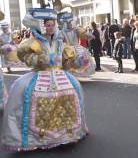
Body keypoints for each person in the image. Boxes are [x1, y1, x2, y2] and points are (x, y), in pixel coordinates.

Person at [1, 14, 88, 151]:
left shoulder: (61, 43)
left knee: (74, 92)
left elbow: (67, 63)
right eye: (47, 25)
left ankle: (67, 134)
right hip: (40, 75)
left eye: (53, 24)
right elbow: (28, 59)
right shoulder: (34, 43)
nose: (51, 27)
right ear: (42, 26)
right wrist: (42, 60)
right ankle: (38, 137)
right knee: (22, 94)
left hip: (60, 76)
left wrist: (79, 62)